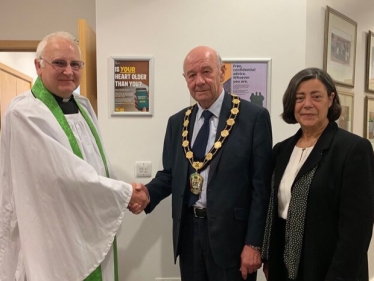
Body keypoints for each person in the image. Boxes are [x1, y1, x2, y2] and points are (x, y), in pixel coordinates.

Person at [0, 31, 149, 281]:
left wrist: (123, 194)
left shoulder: (83, 105)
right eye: (59, 63)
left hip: (85, 220)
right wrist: (125, 192)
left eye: (75, 64)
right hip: (52, 231)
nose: (68, 71)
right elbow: (65, 174)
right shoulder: (25, 112)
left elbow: (99, 164)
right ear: (39, 65)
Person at [129, 46, 273, 281]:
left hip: (233, 238)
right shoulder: (177, 122)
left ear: (222, 72)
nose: (199, 81)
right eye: (191, 75)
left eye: (206, 71)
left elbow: (262, 188)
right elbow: (169, 175)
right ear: (185, 79)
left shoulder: (253, 117)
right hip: (188, 234)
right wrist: (146, 193)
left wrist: (254, 244)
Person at [261, 67, 374, 281]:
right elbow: (274, 213)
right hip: (284, 264)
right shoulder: (281, 151)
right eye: (300, 98)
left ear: (331, 99)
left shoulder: (353, 149)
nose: (307, 105)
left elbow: (357, 231)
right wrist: (269, 258)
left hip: (330, 267)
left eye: (316, 97)